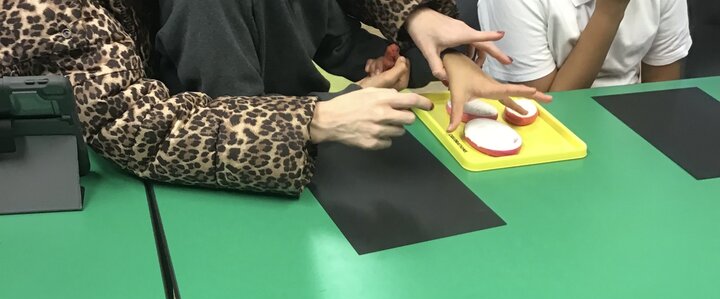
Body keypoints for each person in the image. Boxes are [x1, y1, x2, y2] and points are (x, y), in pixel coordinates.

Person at [0, 0, 548, 196]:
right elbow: (140, 125)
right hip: (176, 169)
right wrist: (317, 118)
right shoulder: (45, 11)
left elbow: (327, 28)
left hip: (275, 156)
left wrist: (418, 23)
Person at [476, 0, 693, 91]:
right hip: (537, 136)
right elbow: (546, 111)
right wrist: (609, 13)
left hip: (628, 122)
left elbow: (660, 90)